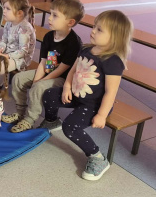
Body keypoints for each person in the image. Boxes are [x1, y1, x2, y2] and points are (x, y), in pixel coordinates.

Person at [41, 10, 133, 181]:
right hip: (76, 95)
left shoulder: (113, 61)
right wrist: (67, 87)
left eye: (99, 30)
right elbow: (73, 70)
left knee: (70, 127)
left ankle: (97, 157)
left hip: (94, 105)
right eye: (94, 27)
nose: (93, 31)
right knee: (49, 95)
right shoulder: (86, 49)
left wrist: (101, 115)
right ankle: (52, 121)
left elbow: (111, 92)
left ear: (115, 37)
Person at [4, 0, 84, 133]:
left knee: (39, 87)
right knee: (18, 79)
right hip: (48, 70)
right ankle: (20, 113)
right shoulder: (49, 36)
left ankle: (29, 120)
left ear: (70, 22)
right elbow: (43, 61)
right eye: (50, 14)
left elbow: (62, 69)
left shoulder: (74, 42)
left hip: (63, 78)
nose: (49, 18)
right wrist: (36, 79)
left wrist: (40, 82)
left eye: (55, 15)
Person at [0, 0, 36, 73]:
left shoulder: (24, 28)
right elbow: (4, 40)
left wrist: (7, 56)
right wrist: (0, 49)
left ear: (19, 13)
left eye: (8, 9)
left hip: (20, 59)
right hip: (8, 51)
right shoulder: (8, 23)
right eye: (4, 7)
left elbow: (23, 51)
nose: (4, 11)